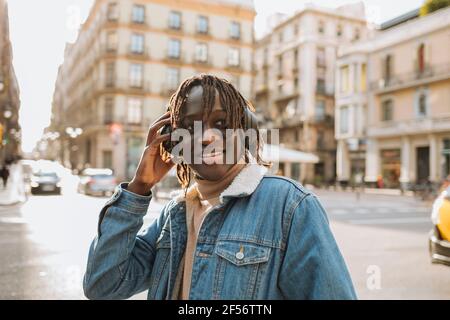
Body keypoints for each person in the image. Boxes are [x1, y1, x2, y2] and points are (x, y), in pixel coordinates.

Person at [83, 74, 356, 300]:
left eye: (221, 123)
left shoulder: (290, 206)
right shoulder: (173, 215)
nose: (206, 137)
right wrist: (138, 188)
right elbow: (102, 286)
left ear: (245, 129)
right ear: (173, 141)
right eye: (190, 126)